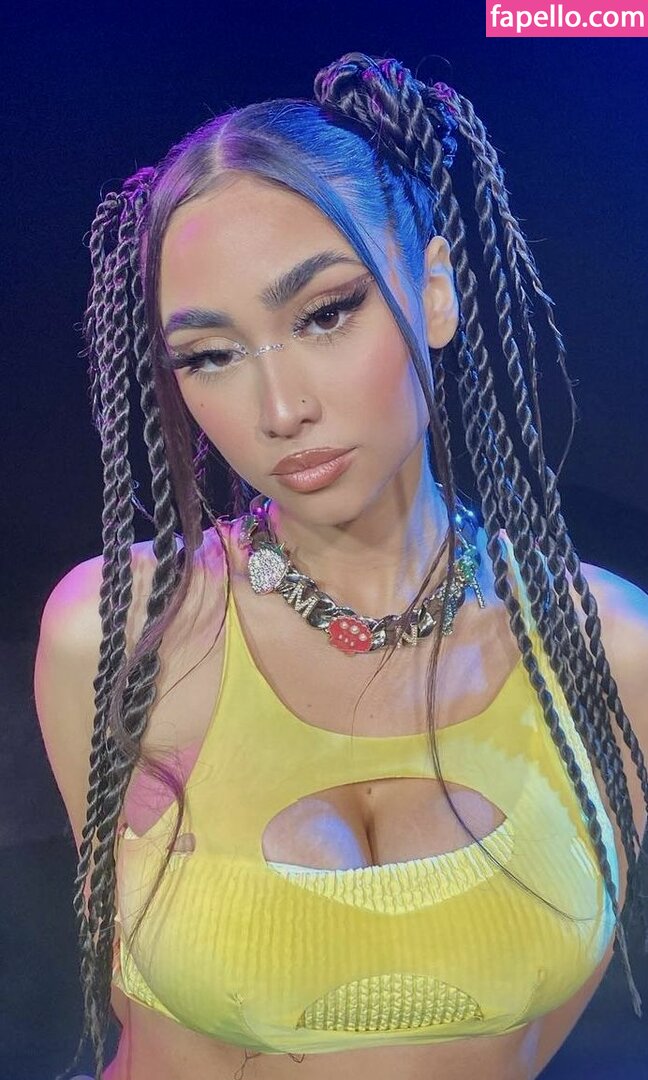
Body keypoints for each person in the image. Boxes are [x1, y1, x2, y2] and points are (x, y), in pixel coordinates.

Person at [34, 51, 648, 1080]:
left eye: (325, 314)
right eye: (210, 355)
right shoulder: (119, 632)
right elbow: (127, 995)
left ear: (436, 292)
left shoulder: (611, 653)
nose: (282, 411)